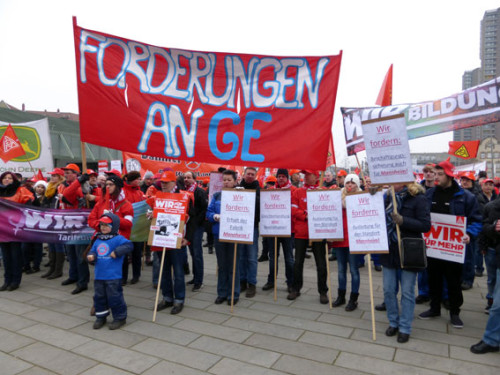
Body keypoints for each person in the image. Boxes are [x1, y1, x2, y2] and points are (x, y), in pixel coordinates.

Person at [419, 159, 482, 328]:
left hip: (454, 249)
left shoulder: (466, 197)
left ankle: (455, 312)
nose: (436, 177)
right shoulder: (429, 194)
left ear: (449, 175)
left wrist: (469, 233)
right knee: (434, 279)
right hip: (433, 248)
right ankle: (434, 308)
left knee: (454, 281)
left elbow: (477, 221)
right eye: (435, 173)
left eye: (440, 174)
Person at [380, 182, 431, 343]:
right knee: (388, 290)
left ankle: (405, 327)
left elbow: (425, 225)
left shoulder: (418, 198)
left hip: (408, 250)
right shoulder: (386, 197)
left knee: (408, 292)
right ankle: (393, 322)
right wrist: (371, 197)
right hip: (389, 249)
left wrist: (403, 221)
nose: (392, 182)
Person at [151, 171, 193, 314]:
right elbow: (155, 214)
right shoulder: (158, 196)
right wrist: (151, 214)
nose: (163, 185)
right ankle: (167, 297)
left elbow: (192, 219)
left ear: (174, 183)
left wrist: (188, 238)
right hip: (162, 239)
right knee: (164, 270)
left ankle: (179, 299)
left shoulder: (184, 196)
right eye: (162, 182)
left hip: (177, 240)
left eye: (166, 182)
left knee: (178, 271)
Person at [288, 170, 329, 304]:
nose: (305, 177)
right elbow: (293, 209)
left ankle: (323, 291)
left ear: (316, 177)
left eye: (309, 174)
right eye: (305, 175)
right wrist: (306, 215)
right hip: (301, 232)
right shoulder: (298, 192)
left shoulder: (322, 191)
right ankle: (295, 288)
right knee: (298, 262)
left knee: (321, 264)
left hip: (318, 232)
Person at [87, 213, 133, 330]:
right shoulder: (98, 239)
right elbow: (93, 251)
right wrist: (91, 256)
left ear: (114, 226)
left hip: (113, 276)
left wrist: (117, 252)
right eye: (102, 224)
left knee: (115, 297)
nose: (103, 227)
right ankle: (101, 317)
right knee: (99, 297)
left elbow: (129, 245)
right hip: (99, 276)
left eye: (107, 225)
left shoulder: (118, 238)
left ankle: (120, 317)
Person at [207, 169, 241, 305]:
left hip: (235, 234)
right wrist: (215, 216)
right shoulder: (216, 196)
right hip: (219, 234)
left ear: (235, 181)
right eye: (224, 180)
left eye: (229, 180)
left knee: (233, 265)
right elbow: (208, 212)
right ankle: (222, 293)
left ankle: (233, 294)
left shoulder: (241, 195)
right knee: (222, 265)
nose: (226, 182)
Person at [331, 174, 362, 311]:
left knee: (354, 270)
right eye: (348, 183)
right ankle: (341, 296)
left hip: (354, 239)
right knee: (341, 270)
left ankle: (353, 299)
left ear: (357, 185)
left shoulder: (362, 198)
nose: (349, 185)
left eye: (353, 183)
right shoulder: (338, 196)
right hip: (340, 238)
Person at [262, 169, 296, 293]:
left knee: (289, 258)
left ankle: (291, 283)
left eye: (283, 176)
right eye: (279, 176)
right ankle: (271, 281)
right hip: (273, 229)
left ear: (287, 178)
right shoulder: (270, 191)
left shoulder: (293, 190)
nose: (281, 178)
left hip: (288, 230)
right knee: (273, 257)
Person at [0, 172, 34, 291]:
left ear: (14, 180)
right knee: (6, 256)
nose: (7, 180)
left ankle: (15, 281)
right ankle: (7, 280)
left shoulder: (20, 191)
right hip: (2, 230)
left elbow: (29, 206)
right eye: (5, 178)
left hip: (15, 228)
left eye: (10, 178)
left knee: (15, 255)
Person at [60, 163, 90, 295]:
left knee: (80, 255)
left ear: (76, 174)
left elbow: (68, 195)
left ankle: (83, 282)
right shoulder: (63, 185)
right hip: (68, 224)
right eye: (65, 172)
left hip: (80, 226)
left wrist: (80, 182)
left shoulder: (79, 188)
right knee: (71, 253)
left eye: (69, 172)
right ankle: (73, 276)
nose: (66, 174)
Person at [184, 171, 208, 292]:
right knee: (192, 252)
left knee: (197, 253)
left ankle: (199, 281)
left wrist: (195, 223)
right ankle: (195, 277)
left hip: (197, 226)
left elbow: (204, 210)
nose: (186, 179)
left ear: (194, 179)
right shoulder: (184, 191)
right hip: (188, 226)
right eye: (185, 178)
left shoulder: (199, 192)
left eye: (189, 177)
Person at [40, 168, 67, 279]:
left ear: (60, 177)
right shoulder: (49, 188)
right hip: (49, 220)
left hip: (58, 221)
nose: (52, 177)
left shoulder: (61, 188)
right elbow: (46, 203)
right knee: (51, 245)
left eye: (55, 175)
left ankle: (58, 270)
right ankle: (52, 268)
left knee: (58, 245)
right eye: (52, 175)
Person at [238, 167, 260, 298]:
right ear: (244, 175)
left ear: (255, 176)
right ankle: (242, 281)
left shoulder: (259, 190)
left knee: (252, 257)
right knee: (241, 256)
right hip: (239, 226)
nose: (250, 176)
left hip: (252, 227)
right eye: (248, 174)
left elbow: (260, 206)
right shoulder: (237, 188)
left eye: (252, 174)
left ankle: (252, 283)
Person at [121, 171, 146, 285]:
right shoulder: (123, 191)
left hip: (137, 227)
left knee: (137, 252)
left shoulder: (140, 192)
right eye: (138, 179)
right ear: (132, 179)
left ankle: (136, 275)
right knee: (124, 252)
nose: (140, 181)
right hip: (126, 226)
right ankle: (123, 277)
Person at [459, 171, 482, 291]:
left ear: (472, 182)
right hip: (460, 230)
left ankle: (468, 280)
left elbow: (480, 215)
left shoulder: (476, 196)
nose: (465, 182)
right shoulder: (459, 194)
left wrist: (473, 231)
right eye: (463, 180)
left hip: (471, 230)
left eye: (467, 180)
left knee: (469, 257)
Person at [22, 179, 47, 274]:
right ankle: (26, 265)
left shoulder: (46, 198)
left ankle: (36, 265)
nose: (40, 189)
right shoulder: (29, 197)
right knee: (25, 247)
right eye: (38, 187)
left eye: (42, 187)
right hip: (28, 225)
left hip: (39, 226)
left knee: (37, 246)